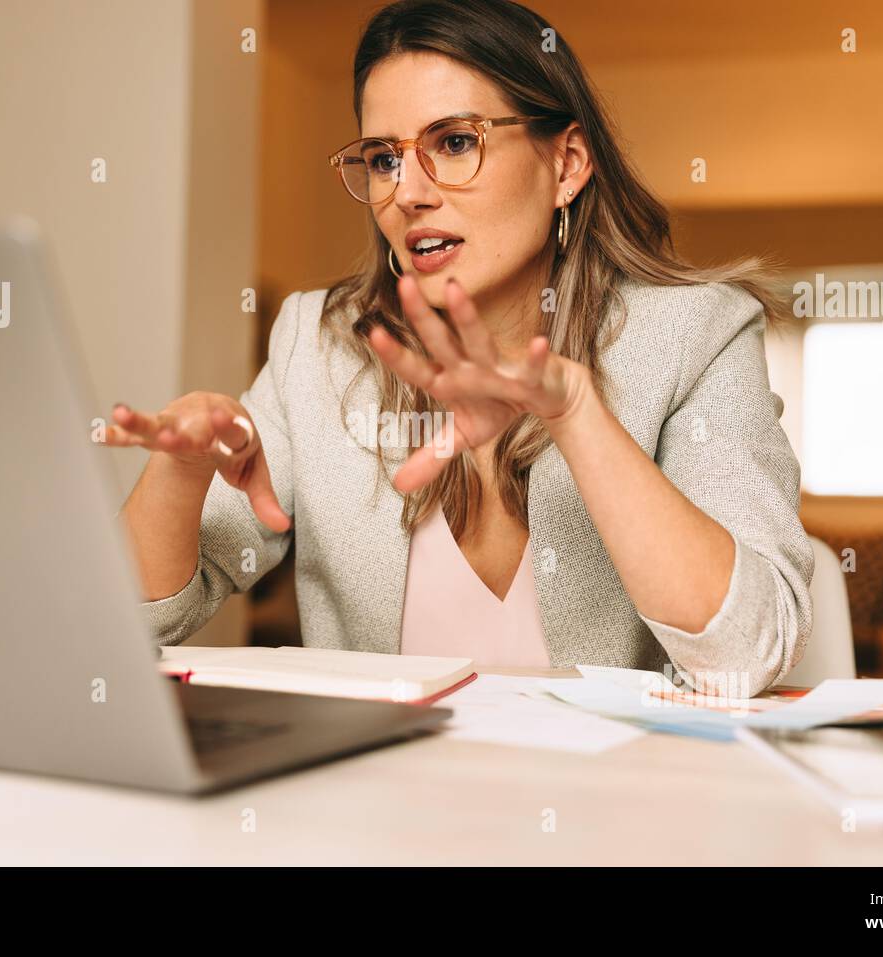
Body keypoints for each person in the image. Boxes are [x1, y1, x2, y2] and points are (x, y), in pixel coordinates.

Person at [106, 0, 812, 694]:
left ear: (566, 163)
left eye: (453, 142)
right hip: (374, 802)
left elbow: (745, 655)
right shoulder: (320, 347)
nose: (408, 192)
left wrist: (578, 420)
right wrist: (183, 472)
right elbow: (138, 621)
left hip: (615, 802)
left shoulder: (697, 334)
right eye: (384, 158)